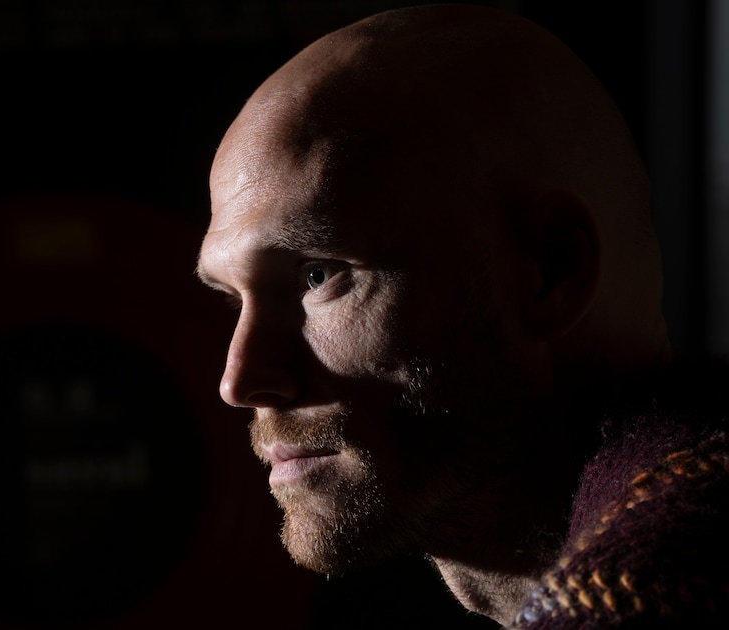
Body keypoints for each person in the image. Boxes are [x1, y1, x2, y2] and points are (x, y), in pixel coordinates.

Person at [194, 4, 727, 628]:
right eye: (232, 299)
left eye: (318, 275)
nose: (240, 380)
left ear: (551, 269)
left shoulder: (658, 590)